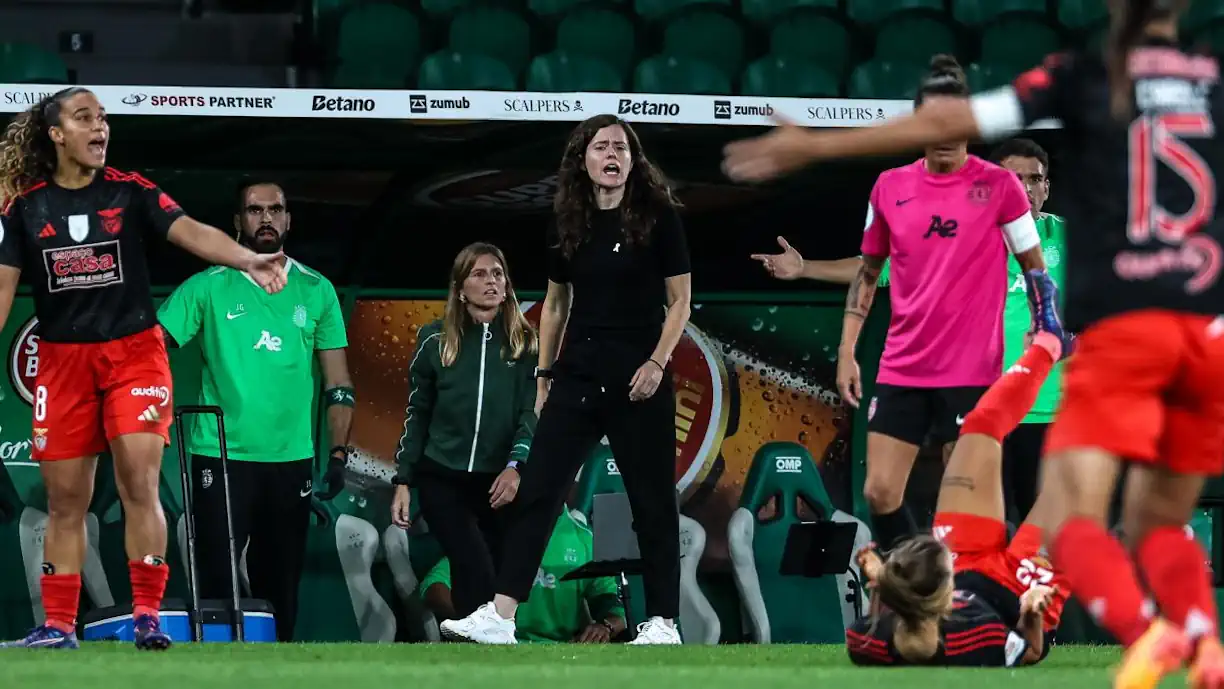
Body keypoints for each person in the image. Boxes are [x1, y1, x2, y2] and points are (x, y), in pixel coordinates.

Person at [723, 1, 1224, 686]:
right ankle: (1190, 637)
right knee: (1143, 520)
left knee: (1087, 519)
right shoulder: (1211, 78)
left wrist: (813, 145)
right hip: (1196, 326)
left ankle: (1155, 633)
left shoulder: (1081, 79)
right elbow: (878, 262)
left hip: (1102, 346)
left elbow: (956, 125)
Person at [0, 88, 286, 650]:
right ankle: (58, 626)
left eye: (104, 117)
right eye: (85, 118)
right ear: (57, 134)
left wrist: (248, 257)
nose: (100, 126)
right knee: (65, 502)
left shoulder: (131, 192)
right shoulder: (24, 208)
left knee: (139, 482)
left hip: (134, 355)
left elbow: (192, 231)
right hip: (62, 364)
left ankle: (148, 617)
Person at [754, 55, 1066, 554]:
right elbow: (868, 272)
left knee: (970, 502)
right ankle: (919, 589)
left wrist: (1044, 323)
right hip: (904, 366)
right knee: (879, 491)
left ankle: (972, 610)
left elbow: (1036, 269)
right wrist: (847, 349)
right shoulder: (891, 187)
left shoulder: (999, 187)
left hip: (973, 371)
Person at [439, 113, 692, 646]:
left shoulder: (657, 216)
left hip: (638, 377)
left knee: (651, 501)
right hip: (577, 374)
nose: (612, 156)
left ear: (633, 159)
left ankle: (664, 622)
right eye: (601, 147)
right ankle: (501, 616)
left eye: (621, 147)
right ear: (583, 159)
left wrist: (657, 363)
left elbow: (680, 302)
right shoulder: (566, 222)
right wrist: (544, 372)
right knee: (539, 492)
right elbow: (555, 307)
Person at [155, 180, 352, 642]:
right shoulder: (207, 286)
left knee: (280, 582)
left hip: (291, 458)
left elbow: (338, 383)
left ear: (288, 219)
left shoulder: (316, 289)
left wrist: (339, 453)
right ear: (237, 222)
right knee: (217, 580)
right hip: (219, 455)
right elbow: (151, 347)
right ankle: (219, 669)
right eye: (254, 210)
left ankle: (274, 667)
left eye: (276, 209)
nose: (266, 218)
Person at [848, 334, 1069, 667]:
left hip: (965, 556)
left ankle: (1050, 343)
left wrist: (881, 586)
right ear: (947, 595)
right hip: (1015, 590)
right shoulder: (977, 636)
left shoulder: (865, 642)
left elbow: (888, 618)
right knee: (1077, 471)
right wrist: (1031, 611)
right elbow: (1030, 650)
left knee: (978, 426)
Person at [390, 242, 538, 619]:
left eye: (497, 274)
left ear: (507, 286)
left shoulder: (527, 345)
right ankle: (487, 652)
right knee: (473, 564)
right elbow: (417, 414)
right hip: (442, 476)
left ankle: (472, 653)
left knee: (497, 568)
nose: (491, 282)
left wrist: (516, 466)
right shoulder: (434, 340)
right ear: (460, 288)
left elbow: (531, 413)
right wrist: (403, 481)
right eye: (479, 273)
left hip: (498, 481)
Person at [421, 505, 627, 643]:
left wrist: (604, 627)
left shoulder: (585, 539)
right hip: (495, 649)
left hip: (563, 653)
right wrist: (473, 619)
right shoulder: (491, 531)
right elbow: (434, 586)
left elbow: (612, 607)